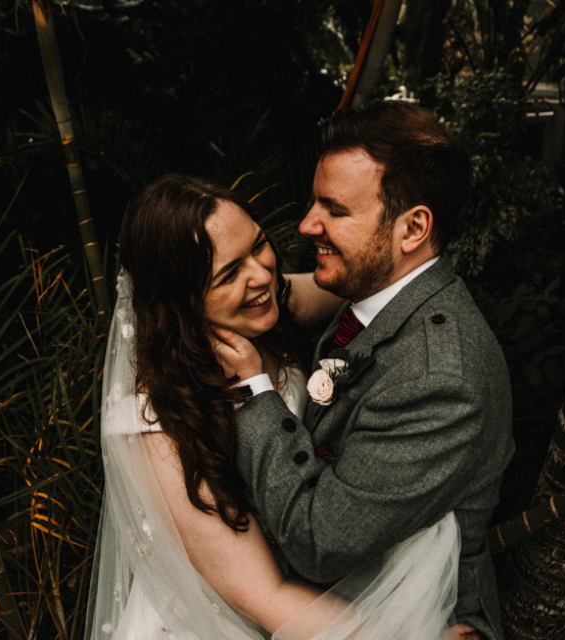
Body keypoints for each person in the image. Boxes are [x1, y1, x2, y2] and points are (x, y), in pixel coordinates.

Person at [86, 174, 462, 640]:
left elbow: (362, 279)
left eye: (258, 245)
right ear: (181, 303)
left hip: (307, 583)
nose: (263, 275)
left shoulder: (264, 302)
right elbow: (266, 596)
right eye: (228, 274)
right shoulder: (155, 421)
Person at [212, 100, 515, 639]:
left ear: (413, 228)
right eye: (314, 201)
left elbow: (318, 539)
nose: (307, 224)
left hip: (414, 618)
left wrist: (254, 392)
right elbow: (286, 298)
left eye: (335, 209)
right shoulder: (380, 293)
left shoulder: (440, 378)